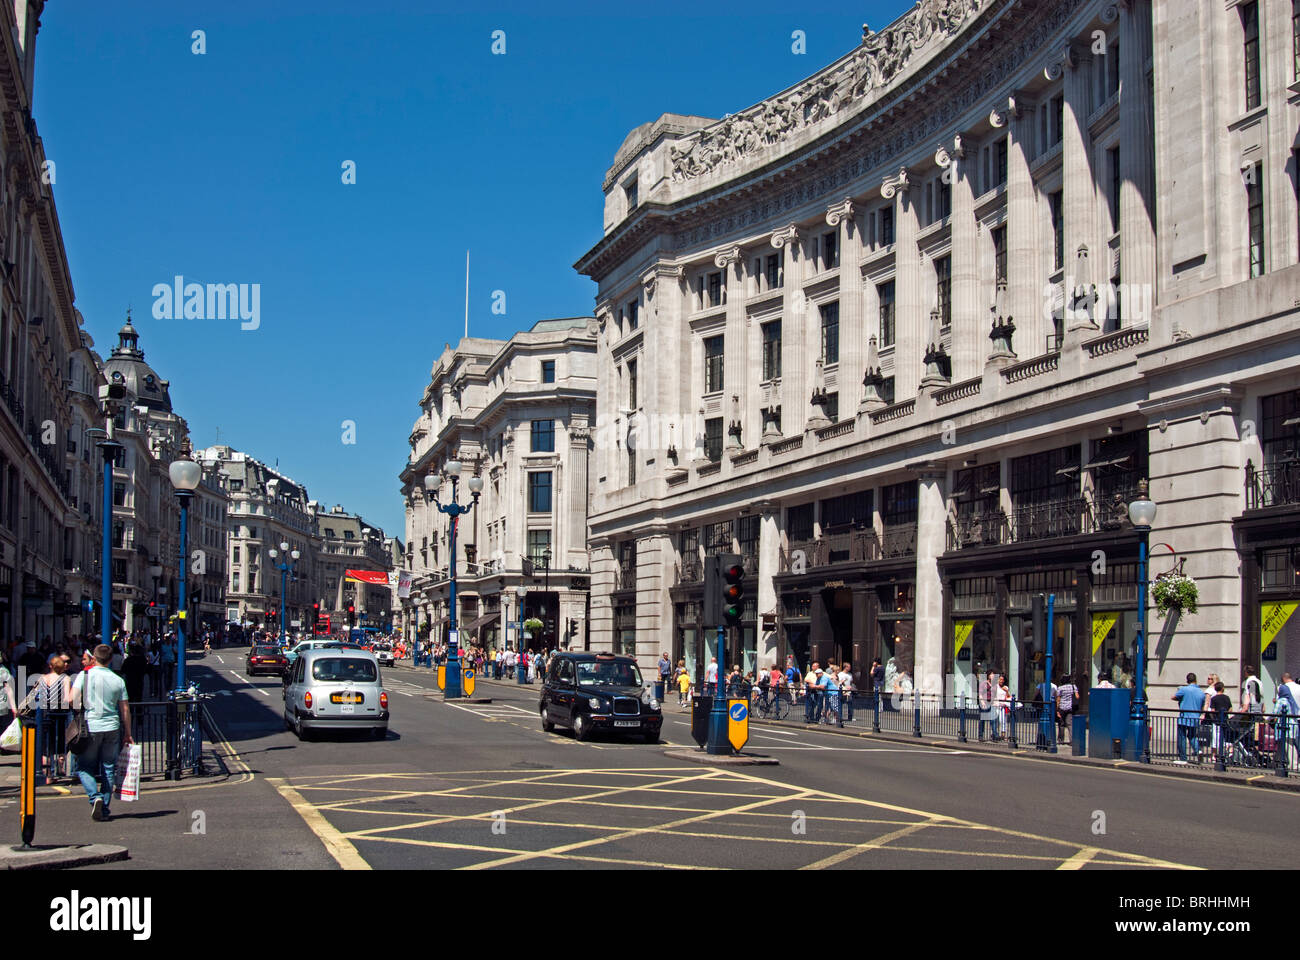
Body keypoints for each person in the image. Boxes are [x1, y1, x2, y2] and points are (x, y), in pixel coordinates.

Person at [70, 645, 133, 822]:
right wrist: (128, 733)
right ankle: (104, 808)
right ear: (111, 659)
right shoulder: (118, 680)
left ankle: (94, 797)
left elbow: (70, 699)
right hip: (112, 727)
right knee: (108, 768)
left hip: (91, 726)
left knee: (83, 767)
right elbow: (125, 709)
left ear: (94, 658)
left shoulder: (85, 675)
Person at [1172, 672, 1206, 763]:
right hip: (1195, 718)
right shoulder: (1201, 692)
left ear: (1187, 680)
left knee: (1182, 737)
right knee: (1192, 736)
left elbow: (1173, 697)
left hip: (1184, 717)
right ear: (1196, 680)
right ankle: (1198, 750)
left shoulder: (1184, 689)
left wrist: (1180, 697)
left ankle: (1183, 758)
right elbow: (1202, 705)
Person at [1056, 674, 1079, 744]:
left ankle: (1061, 740)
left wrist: (1057, 709)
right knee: (1070, 724)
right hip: (1070, 707)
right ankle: (1072, 740)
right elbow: (1077, 696)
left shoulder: (1060, 688)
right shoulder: (1073, 686)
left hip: (1062, 707)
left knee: (1061, 724)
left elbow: (1058, 699)